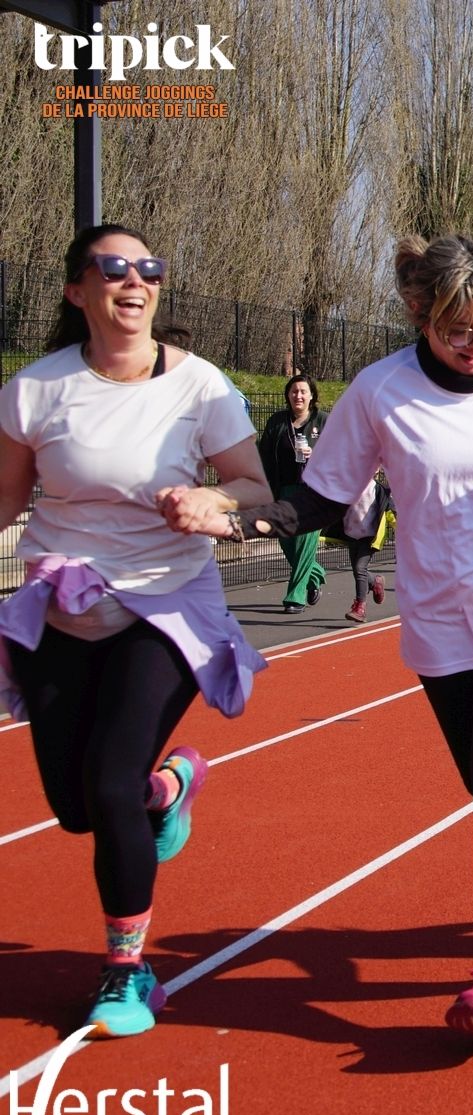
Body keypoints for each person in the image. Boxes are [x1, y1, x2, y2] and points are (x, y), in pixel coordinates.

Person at [164, 234, 473, 1043]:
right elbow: (321, 499)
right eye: (459, 327)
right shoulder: (379, 391)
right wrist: (241, 516)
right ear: (422, 315)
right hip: (438, 615)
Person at [0, 223, 271, 1036]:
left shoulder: (202, 388)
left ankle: (127, 968)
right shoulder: (35, 390)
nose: (134, 280)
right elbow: (6, 502)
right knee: (78, 807)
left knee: (108, 779)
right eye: (112, 268)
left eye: (148, 268)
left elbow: (256, 486)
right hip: (61, 605)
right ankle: (170, 788)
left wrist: (214, 504)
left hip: (164, 604)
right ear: (76, 290)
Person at [257, 373, 328, 613]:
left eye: (303, 391)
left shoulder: (323, 421)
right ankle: (315, 574)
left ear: (311, 396)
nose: (298, 395)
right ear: (288, 395)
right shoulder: (277, 421)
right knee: (287, 541)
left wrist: (314, 455)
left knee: (306, 542)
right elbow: (264, 454)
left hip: (314, 493)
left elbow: (339, 454)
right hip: (283, 490)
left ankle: (295, 597)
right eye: (294, 391)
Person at [323, 474, 390, 624]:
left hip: (369, 537)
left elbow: (390, 511)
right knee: (358, 570)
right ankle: (375, 581)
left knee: (359, 568)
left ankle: (360, 608)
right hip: (352, 535)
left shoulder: (379, 490)